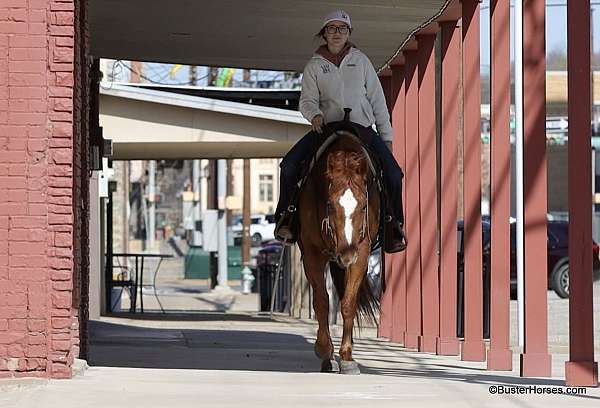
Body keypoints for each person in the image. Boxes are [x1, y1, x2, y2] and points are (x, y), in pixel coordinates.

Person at [274, 10, 406, 253]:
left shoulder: (361, 60)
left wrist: (386, 137)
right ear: (324, 33)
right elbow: (307, 100)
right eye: (332, 28)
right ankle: (287, 219)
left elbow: (377, 100)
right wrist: (313, 114)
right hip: (327, 128)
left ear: (349, 33)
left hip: (362, 129)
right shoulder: (314, 65)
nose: (337, 33)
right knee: (289, 166)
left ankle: (394, 226)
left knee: (394, 175)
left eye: (342, 29)